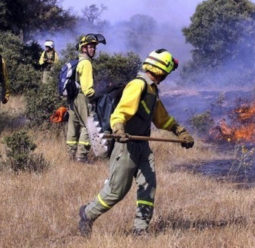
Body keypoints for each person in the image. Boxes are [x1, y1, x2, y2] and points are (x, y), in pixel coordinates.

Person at [78, 49, 195, 236]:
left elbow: (162, 118)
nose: (166, 76)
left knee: (148, 186)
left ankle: (140, 229)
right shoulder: (137, 85)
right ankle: (87, 213)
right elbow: (121, 112)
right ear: (159, 69)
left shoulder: (152, 89)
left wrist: (180, 132)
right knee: (117, 191)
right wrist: (119, 129)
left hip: (142, 147)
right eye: (166, 71)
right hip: (126, 146)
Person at [66, 34, 101, 162]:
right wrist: (95, 96)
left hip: (73, 97)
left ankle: (71, 155)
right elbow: (87, 90)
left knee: (73, 125)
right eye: (90, 47)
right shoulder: (86, 63)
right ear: (83, 48)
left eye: (94, 47)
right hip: (82, 97)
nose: (94, 50)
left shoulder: (78, 61)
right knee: (89, 125)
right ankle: (81, 157)